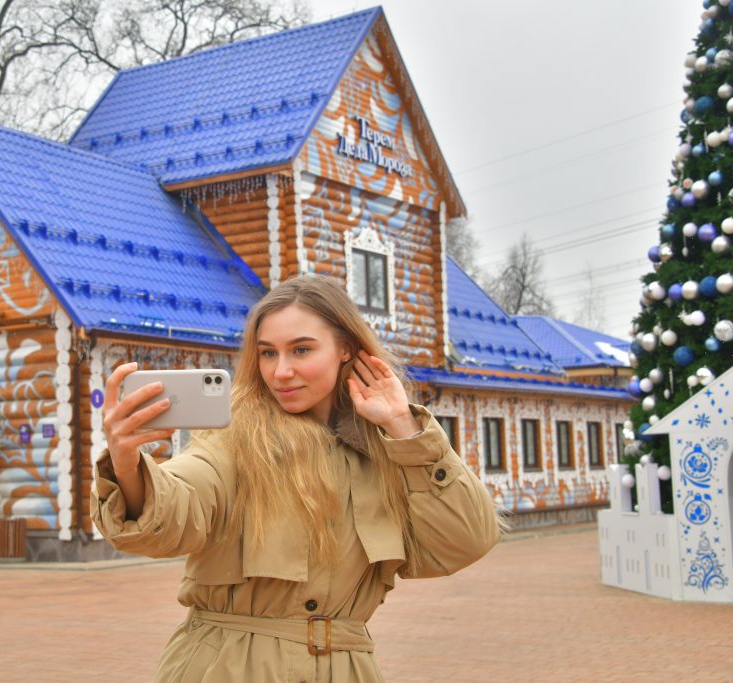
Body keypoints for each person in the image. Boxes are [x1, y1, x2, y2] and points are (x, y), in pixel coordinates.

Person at [91, 275, 503, 682]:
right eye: (268, 353)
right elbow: (180, 504)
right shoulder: (232, 437)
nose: (281, 371)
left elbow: (465, 540)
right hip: (228, 667)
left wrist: (406, 431)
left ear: (345, 348)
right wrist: (128, 465)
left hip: (346, 668)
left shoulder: (390, 450)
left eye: (301, 350)